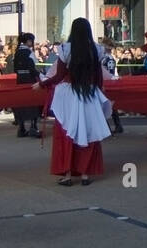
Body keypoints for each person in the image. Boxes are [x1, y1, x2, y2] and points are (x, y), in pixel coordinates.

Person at [35, 19, 111, 186]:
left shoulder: (66, 49)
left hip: (68, 95)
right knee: (89, 132)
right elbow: (98, 76)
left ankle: (68, 174)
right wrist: (98, 92)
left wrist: (41, 83)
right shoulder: (96, 50)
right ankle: (85, 174)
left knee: (67, 134)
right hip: (89, 94)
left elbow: (59, 76)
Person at [12, 33, 41, 139]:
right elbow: (33, 68)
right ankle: (33, 127)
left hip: (20, 79)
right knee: (32, 102)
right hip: (29, 79)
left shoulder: (17, 52)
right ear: (28, 41)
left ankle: (21, 128)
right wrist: (40, 75)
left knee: (22, 102)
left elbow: (14, 69)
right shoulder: (29, 52)